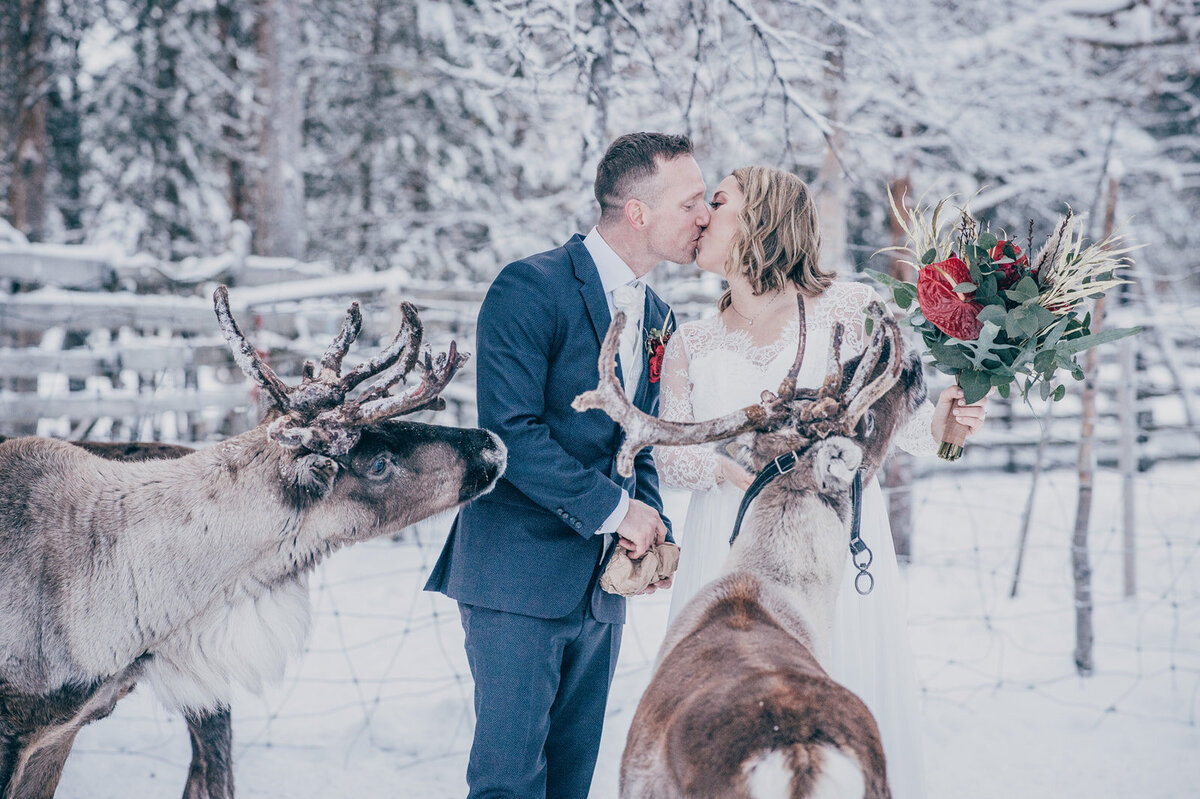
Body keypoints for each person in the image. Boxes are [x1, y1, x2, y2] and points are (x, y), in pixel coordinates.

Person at [654, 165, 987, 799]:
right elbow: (672, 455)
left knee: (837, 717)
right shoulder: (689, 341)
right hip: (725, 550)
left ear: (761, 218)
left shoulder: (853, 309)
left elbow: (902, 428)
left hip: (826, 547)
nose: (700, 216)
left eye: (716, 202)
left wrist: (947, 424)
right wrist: (734, 469)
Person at [424, 132, 710, 799]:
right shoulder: (530, 286)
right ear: (639, 211)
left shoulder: (659, 316)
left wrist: (653, 522)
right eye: (691, 200)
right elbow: (510, 434)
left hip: (601, 589)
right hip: (517, 578)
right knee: (508, 784)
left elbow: (635, 441)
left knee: (571, 783)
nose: (703, 215)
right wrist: (617, 511)